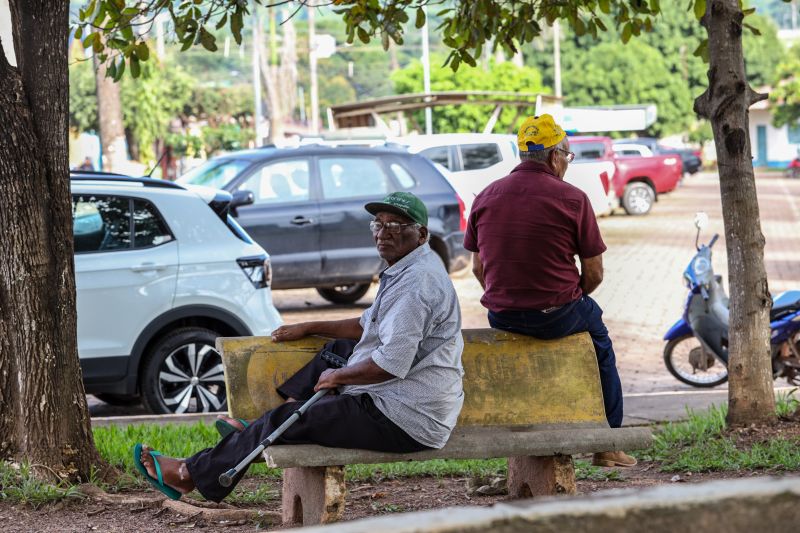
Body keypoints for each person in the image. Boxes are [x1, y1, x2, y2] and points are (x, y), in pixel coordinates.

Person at [133, 191, 465, 501]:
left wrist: (339, 378)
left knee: (288, 419)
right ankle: (272, 420)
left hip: (404, 417)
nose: (383, 232)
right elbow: (366, 327)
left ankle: (188, 474)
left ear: (421, 234)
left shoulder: (416, 285)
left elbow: (389, 365)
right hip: (401, 396)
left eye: (396, 225)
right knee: (338, 348)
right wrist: (307, 326)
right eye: (378, 223)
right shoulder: (410, 268)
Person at [463, 114, 635, 468]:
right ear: (556, 156)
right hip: (558, 315)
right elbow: (595, 272)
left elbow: (479, 269)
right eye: (568, 158)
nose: (567, 165)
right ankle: (607, 444)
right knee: (599, 341)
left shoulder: (485, 197)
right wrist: (571, 297)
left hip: (503, 315)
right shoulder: (572, 199)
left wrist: (508, 298)